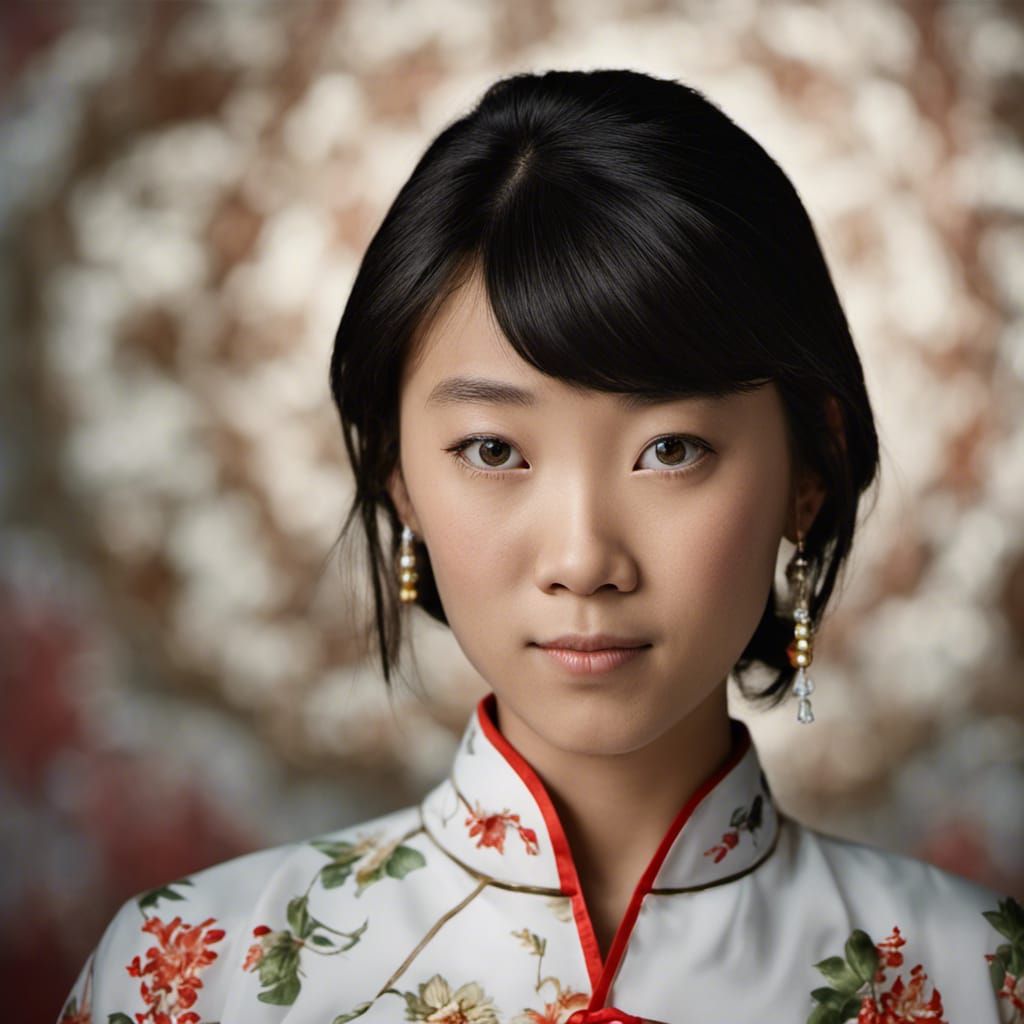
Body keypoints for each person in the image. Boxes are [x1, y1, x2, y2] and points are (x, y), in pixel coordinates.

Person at [57, 68, 1021, 1024]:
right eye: (493, 450)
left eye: (670, 450)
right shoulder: (192, 976)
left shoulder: (979, 977)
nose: (583, 558)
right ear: (400, 477)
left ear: (810, 471)